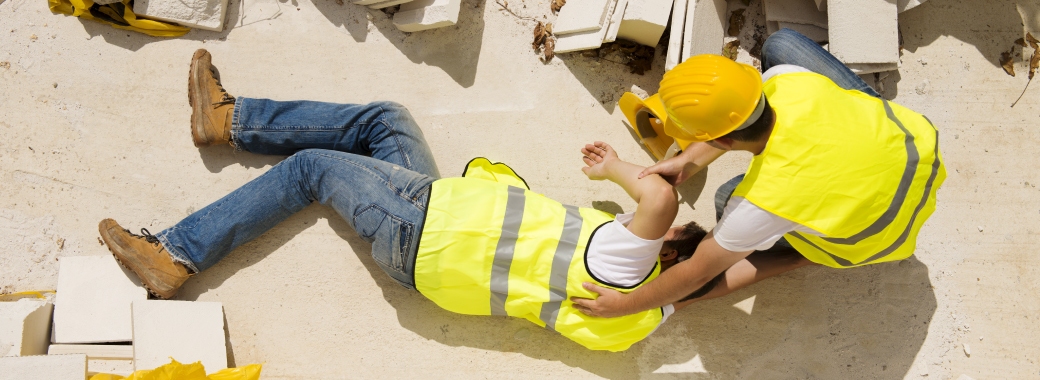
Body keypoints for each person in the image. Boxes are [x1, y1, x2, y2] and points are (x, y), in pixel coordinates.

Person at [99, 49, 718, 352]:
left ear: (663, 248)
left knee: (312, 169)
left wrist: (616, 168)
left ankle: (176, 255)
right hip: (432, 244)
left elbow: (659, 195)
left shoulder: (620, 264)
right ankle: (227, 120)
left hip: (425, 227)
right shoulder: (642, 320)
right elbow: (721, 273)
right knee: (386, 122)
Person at [571, 29, 947, 317]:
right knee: (781, 44)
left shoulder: (758, 203)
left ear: (718, 138)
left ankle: (811, 252)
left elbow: (698, 275)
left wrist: (626, 305)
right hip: (917, 151)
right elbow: (737, 122)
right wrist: (689, 160)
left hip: (877, 238)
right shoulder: (787, 80)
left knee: (724, 201)